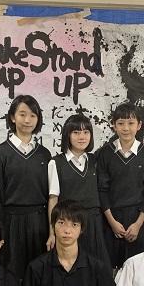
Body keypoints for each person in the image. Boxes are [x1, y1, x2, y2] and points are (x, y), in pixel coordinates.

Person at [0, 94, 51, 281]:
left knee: (38, 274)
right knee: (11, 274)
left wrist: (51, 229)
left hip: (39, 222)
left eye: (33, 115)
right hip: (10, 223)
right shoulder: (0, 153)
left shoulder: (44, 154)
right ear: (12, 117)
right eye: (22, 114)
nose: (27, 120)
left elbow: (51, 195)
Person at [96, 102, 144, 270]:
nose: (126, 128)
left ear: (139, 125)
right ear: (113, 125)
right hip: (110, 219)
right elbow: (102, 190)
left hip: (137, 219)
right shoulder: (104, 153)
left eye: (131, 123)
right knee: (108, 269)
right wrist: (112, 222)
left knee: (136, 270)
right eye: (121, 123)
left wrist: (138, 224)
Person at [46, 113, 110, 267]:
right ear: (67, 135)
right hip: (70, 224)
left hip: (94, 222)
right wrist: (52, 232)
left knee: (97, 267)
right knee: (72, 266)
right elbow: (53, 199)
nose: (82, 137)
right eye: (76, 132)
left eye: (86, 132)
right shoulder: (56, 163)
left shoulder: (95, 160)